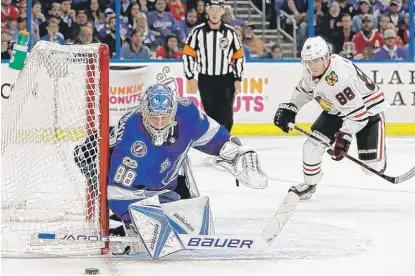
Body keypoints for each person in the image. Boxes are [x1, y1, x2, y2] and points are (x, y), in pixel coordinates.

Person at [105, 83, 267, 259]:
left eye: (164, 117)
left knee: (193, 230)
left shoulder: (187, 113)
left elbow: (213, 137)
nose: (159, 124)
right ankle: (121, 230)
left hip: (169, 185)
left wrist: (235, 153)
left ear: (173, 112)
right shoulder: (130, 134)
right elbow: (118, 191)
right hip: (135, 192)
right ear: (143, 112)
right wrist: (132, 221)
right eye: (154, 118)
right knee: (154, 246)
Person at [273, 36, 389, 200]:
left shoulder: (339, 78)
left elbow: (358, 115)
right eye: (308, 61)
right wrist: (291, 107)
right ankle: (310, 184)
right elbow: (305, 89)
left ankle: (379, 157)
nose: (311, 66)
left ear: (325, 57)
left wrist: (345, 137)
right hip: (336, 109)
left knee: (371, 168)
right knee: (312, 146)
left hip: (367, 112)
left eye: (315, 61)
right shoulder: (312, 69)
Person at [182, 0, 245, 133]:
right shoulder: (197, 32)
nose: (214, 13)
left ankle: (226, 141)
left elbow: (238, 57)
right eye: (212, 9)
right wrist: (190, 77)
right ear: (207, 11)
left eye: (217, 9)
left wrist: (238, 78)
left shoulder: (230, 33)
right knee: (210, 112)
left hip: (226, 78)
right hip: (206, 78)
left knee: (226, 112)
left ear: (222, 11)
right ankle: (215, 142)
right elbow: (188, 55)